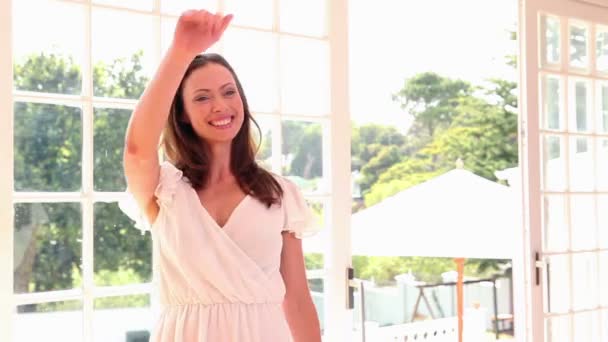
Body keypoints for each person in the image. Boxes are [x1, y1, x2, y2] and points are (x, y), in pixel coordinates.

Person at [119, 9, 322, 342]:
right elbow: (137, 151)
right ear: (182, 115)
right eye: (202, 97)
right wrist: (181, 50)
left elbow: (298, 300)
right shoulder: (165, 190)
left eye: (229, 92)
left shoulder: (280, 193)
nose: (220, 106)